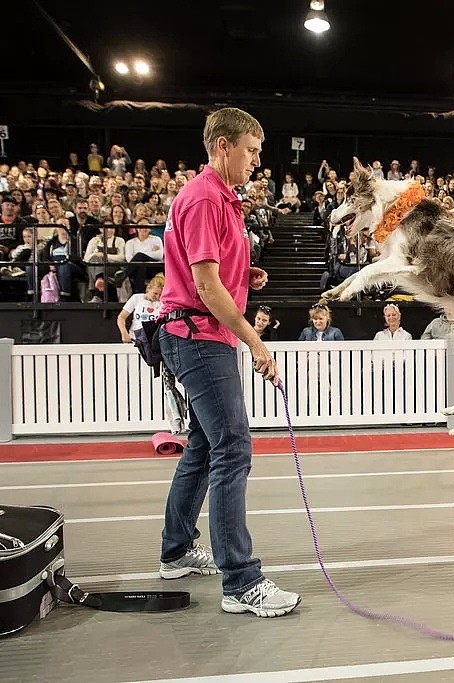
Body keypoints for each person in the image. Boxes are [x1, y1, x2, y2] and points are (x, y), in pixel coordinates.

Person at [156, 107, 301, 618]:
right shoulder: (203, 198)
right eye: (252, 151)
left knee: (204, 445)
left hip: (196, 333)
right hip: (199, 336)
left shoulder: (224, 200)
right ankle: (241, 582)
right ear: (222, 146)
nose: (256, 162)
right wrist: (254, 342)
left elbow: (216, 271)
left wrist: (247, 272)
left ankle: (176, 550)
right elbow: (205, 286)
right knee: (234, 448)